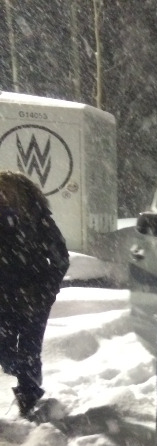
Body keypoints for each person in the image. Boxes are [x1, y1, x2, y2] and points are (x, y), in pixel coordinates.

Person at [0, 171, 69, 417]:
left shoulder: (39, 220)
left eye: (6, 189)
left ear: (21, 191)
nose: (2, 194)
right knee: (6, 352)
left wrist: (46, 291)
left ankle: (28, 397)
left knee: (30, 348)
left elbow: (60, 259)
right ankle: (25, 376)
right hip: (3, 299)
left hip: (34, 298)